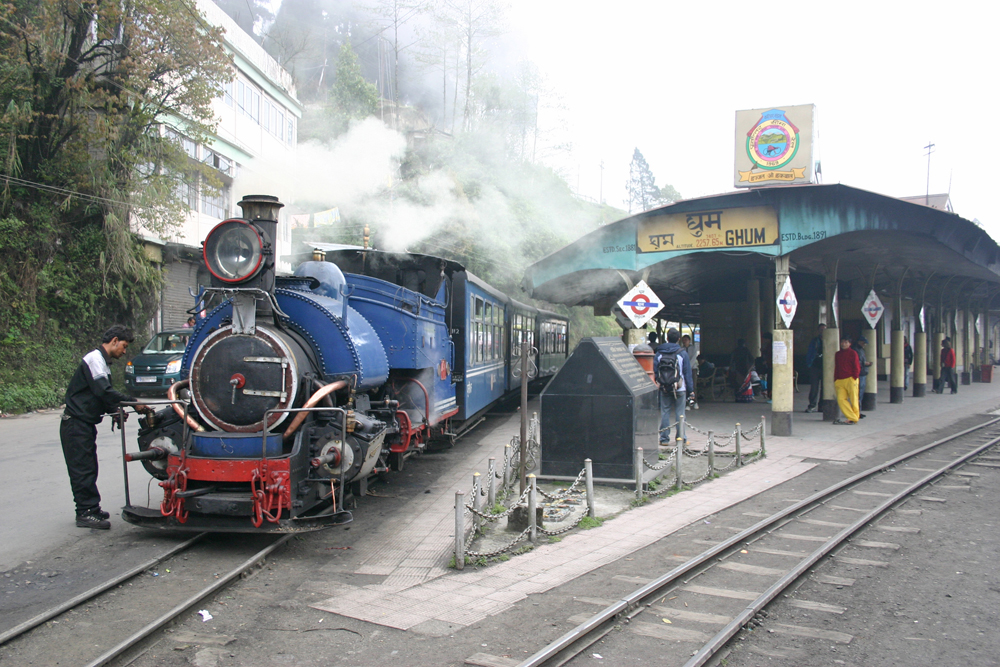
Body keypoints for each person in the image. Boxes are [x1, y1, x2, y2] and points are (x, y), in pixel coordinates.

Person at [61, 325, 151, 529]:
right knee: (82, 469)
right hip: (75, 424)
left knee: (89, 467)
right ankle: (84, 513)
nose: (125, 351)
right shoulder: (94, 359)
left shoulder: (102, 361)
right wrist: (131, 401)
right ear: (114, 341)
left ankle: (92, 508)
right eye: (124, 346)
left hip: (83, 424)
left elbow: (98, 395)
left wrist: (115, 411)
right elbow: (103, 391)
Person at [654, 328, 694, 445]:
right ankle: (681, 438)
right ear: (678, 339)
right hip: (679, 387)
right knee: (680, 413)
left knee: (665, 412)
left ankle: (664, 439)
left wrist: (660, 382)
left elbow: (655, 371)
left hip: (664, 387)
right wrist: (690, 390)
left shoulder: (659, 353)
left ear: (667, 338)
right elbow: (687, 374)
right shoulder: (682, 353)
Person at [833, 337, 861, 425]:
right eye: (842, 342)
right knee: (841, 399)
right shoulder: (838, 354)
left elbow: (856, 366)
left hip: (850, 378)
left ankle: (853, 418)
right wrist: (836, 378)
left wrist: (855, 377)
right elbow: (837, 366)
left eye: (846, 342)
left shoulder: (853, 353)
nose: (843, 344)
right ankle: (853, 417)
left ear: (850, 344)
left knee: (854, 399)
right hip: (840, 380)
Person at [805, 324, 826, 413]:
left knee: (824, 388)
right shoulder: (815, 341)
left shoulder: (829, 340)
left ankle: (821, 406)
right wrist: (809, 364)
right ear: (818, 331)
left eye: (824, 330)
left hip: (826, 367)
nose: (822, 331)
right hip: (815, 367)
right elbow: (810, 352)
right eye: (821, 330)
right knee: (814, 388)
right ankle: (812, 405)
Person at [853, 336, 872, 416]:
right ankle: (856, 411)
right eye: (864, 343)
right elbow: (856, 362)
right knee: (858, 393)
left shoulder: (860, 350)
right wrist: (865, 364)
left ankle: (858, 411)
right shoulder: (856, 350)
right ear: (860, 342)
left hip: (862, 373)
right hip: (859, 373)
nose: (864, 345)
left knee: (860, 393)